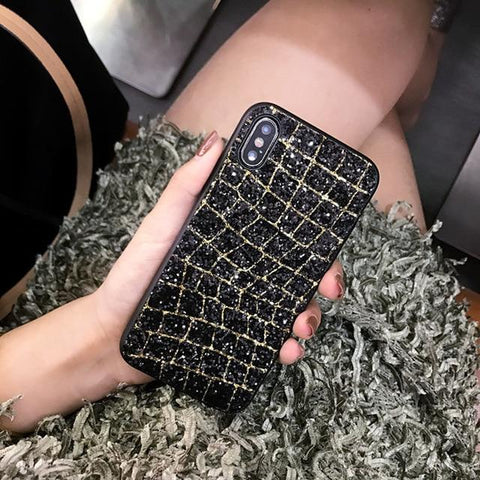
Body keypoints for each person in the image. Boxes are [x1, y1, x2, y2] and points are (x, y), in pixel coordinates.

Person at [0, 0, 458, 433]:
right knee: (374, 49)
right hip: (55, 401)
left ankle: (418, 57)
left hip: (59, 339)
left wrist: (103, 332)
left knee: (359, 110)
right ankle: (426, 45)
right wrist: (99, 339)